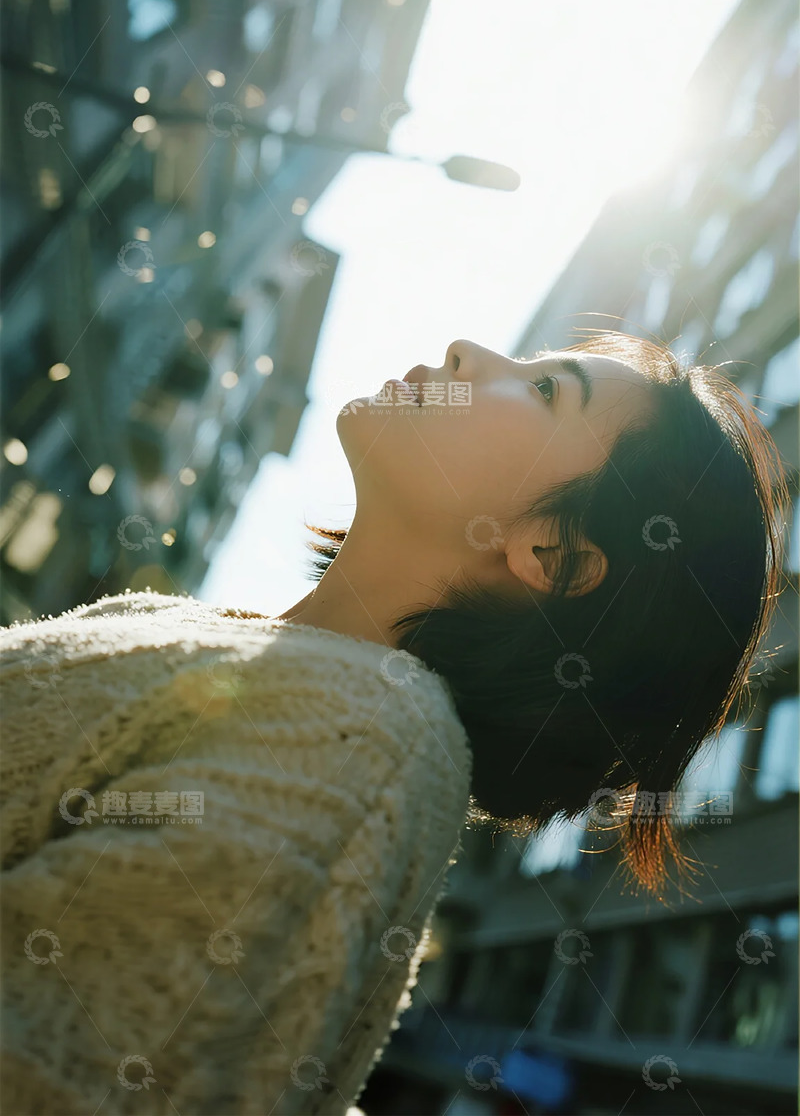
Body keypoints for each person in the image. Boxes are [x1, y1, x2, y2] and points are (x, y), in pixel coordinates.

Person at [0, 332, 787, 1115]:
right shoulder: (226, 650)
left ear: (554, 553)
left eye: (546, 390)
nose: (467, 350)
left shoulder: (362, 744)